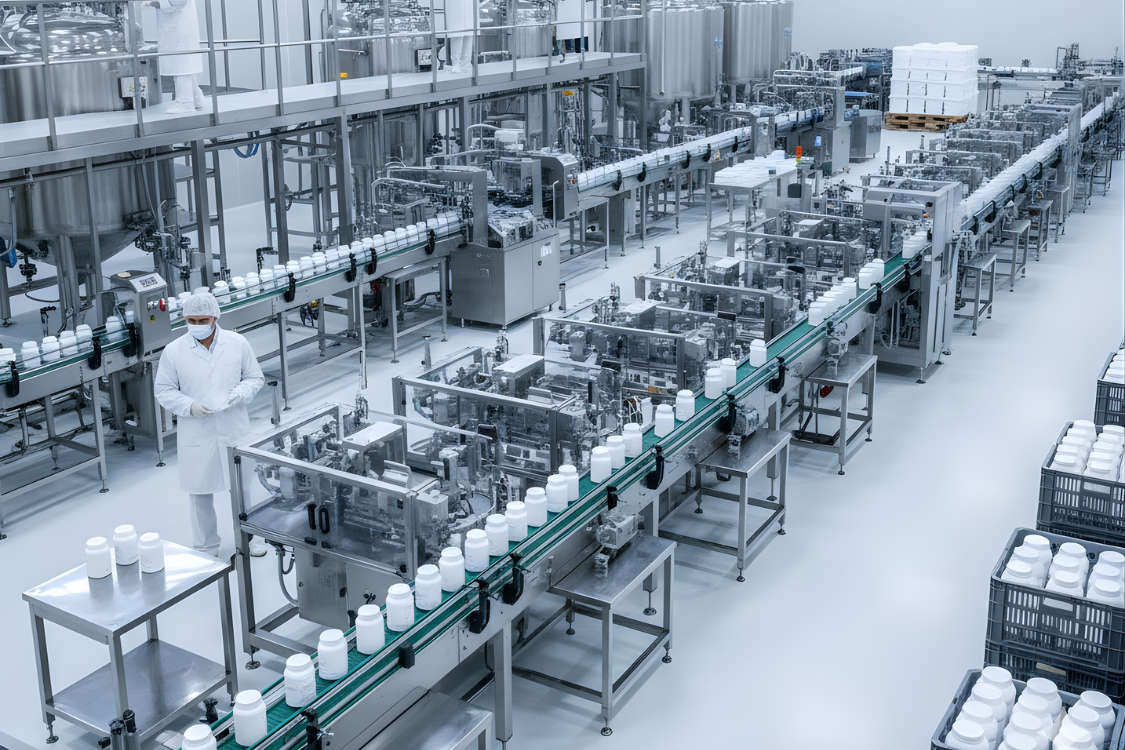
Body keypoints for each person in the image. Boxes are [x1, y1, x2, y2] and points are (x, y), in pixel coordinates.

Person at [154, 291, 266, 557]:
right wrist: (189, 406)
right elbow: (164, 390)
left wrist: (240, 393)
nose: (197, 325)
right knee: (199, 492)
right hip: (197, 430)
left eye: (202, 319)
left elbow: (254, 377)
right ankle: (206, 547)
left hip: (233, 426)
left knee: (243, 487)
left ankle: (252, 539)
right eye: (191, 320)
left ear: (215, 317)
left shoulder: (237, 343)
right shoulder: (174, 351)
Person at [144, 0, 206, 114]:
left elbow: (179, 2)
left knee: (180, 63)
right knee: (183, 63)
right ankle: (196, 97)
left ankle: (185, 102)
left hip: (178, 25)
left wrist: (157, 3)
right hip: (176, 23)